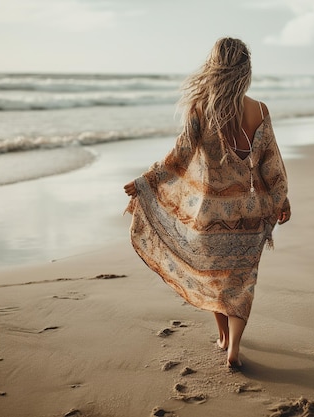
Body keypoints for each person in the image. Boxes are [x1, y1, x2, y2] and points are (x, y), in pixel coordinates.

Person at [123, 37, 291, 369]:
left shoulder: (199, 108)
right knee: (242, 283)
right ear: (246, 69)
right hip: (250, 216)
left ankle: (223, 338)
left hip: (210, 217)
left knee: (216, 279)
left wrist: (145, 181)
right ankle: (234, 349)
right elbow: (271, 164)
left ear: (214, 67)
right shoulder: (259, 110)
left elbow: (178, 158)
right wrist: (281, 199)